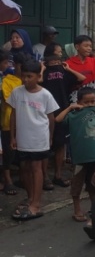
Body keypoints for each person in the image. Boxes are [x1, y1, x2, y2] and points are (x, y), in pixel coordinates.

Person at [8, 60, 59, 221]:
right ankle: (30, 198)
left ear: (38, 76)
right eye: (24, 76)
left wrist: (50, 137)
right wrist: (13, 136)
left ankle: (36, 204)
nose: (26, 79)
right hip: (22, 138)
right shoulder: (17, 92)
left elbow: (51, 118)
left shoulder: (45, 94)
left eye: (30, 76)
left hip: (39, 137)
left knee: (37, 168)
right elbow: (13, 115)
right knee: (25, 169)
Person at [55, 87, 95, 223]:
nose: (89, 105)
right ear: (79, 102)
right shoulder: (73, 114)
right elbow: (58, 119)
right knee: (77, 184)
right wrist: (70, 108)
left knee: (94, 184)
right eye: (85, 102)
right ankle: (77, 210)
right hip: (80, 157)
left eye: (92, 101)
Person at [40, 43, 86, 189]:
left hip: (62, 110)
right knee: (46, 146)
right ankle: (45, 177)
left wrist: (69, 68)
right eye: (54, 59)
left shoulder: (63, 71)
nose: (56, 61)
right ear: (47, 60)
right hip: (44, 112)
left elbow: (81, 78)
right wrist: (41, 69)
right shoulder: (43, 72)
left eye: (58, 59)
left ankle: (57, 175)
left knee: (60, 145)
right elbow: (38, 81)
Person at [66, 35, 95, 103]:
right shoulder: (68, 64)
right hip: (75, 100)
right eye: (86, 46)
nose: (89, 48)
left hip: (92, 100)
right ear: (77, 47)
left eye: (90, 46)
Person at [0, 50, 18, 196]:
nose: (7, 65)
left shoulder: (5, 77)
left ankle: (6, 178)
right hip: (4, 119)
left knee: (7, 150)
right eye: (5, 62)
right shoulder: (4, 79)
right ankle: (6, 178)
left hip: (6, 119)